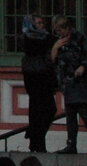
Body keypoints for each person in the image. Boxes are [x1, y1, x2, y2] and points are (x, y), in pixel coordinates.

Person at [50, 15, 87, 155]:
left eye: (61, 30)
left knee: (84, 111)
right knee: (70, 114)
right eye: (57, 31)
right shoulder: (58, 42)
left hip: (83, 81)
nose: (60, 33)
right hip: (68, 82)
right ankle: (71, 144)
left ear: (67, 27)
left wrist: (83, 67)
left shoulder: (80, 38)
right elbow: (52, 62)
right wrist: (55, 49)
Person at [21, 14, 57, 154]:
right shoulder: (31, 38)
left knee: (47, 110)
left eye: (43, 22)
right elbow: (42, 49)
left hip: (44, 80)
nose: (42, 25)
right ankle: (37, 142)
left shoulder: (45, 37)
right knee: (38, 111)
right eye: (39, 23)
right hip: (35, 79)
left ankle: (35, 136)